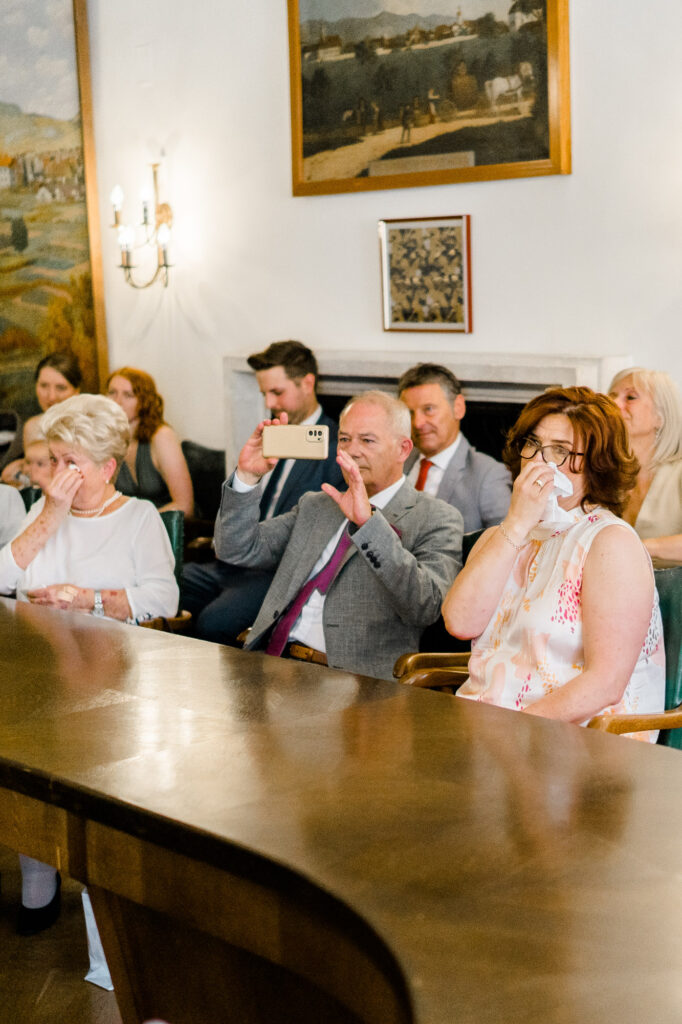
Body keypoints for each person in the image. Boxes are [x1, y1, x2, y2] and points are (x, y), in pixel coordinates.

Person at [0, 393, 178, 934]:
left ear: (107, 467)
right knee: (24, 760)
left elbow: (164, 598)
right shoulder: (44, 510)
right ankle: (38, 871)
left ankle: (108, 898)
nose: (56, 474)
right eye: (53, 459)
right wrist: (51, 515)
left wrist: (88, 600)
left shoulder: (138, 518)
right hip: (36, 667)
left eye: (70, 462)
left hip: (112, 676)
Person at [442, 386, 665, 739]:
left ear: (596, 464)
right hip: (485, 729)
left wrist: (508, 733)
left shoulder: (610, 542)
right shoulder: (507, 533)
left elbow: (606, 683)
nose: (539, 462)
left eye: (560, 450)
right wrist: (517, 524)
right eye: (532, 444)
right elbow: (459, 622)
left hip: (574, 739)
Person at [215, 390, 463, 681]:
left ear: (403, 449)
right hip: (270, 660)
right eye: (344, 439)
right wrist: (247, 477)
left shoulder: (436, 517)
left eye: (367, 440)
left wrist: (369, 524)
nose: (352, 451)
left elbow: (425, 607)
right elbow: (235, 549)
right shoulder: (318, 504)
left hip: (353, 681)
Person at [181, 340, 344, 643]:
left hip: (275, 571)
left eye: (277, 392)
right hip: (232, 560)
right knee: (170, 586)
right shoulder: (270, 435)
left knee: (213, 622)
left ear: (307, 383)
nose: (270, 402)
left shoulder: (336, 446)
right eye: (264, 393)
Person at [398, 363, 512, 531]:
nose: (417, 423)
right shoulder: (396, 460)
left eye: (428, 409)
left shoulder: (488, 476)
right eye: (410, 413)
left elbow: (508, 541)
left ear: (458, 407)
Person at [609, 367, 682, 567]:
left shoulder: (678, 473)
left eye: (630, 397)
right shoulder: (602, 472)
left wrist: (639, 548)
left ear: (660, 417)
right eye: (612, 396)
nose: (614, 404)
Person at [107, 366, 194, 515]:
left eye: (128, 395)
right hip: (130, 523)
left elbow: (185, 506)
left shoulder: (162, 436)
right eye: (112, 393)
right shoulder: (107, 438)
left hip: (168, 523)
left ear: (144, 401)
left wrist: (141, 523)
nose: (118, 401)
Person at [1, 351, 82, 486]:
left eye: (61, 388)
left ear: (76, 391)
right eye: (44, 386)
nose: (51, 396)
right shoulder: (32, 427)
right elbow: (33, 477)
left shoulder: (89, 427)